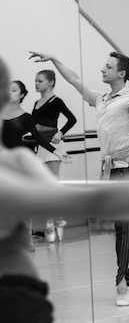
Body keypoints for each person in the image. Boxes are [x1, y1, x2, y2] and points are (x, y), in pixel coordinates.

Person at [28, 50, 129, 307]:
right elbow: (73, 79)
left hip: (126, 169)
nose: (102, 70)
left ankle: (122, 283)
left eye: (107, 67)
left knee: (125, 227)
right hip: (113, 171)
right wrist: (54, 59)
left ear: (121, 73)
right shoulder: (100, 98)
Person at [1, 80, 71, 250]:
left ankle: (27, 240)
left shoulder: (26, 118)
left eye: (14, 90)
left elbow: (39, 139)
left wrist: (57, 152)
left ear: (22, 95)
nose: (9, 92)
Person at [32, 69, 77, 243]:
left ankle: (51, 221)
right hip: (40, 147)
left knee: (52, 185)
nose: (36, 83)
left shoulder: (56, 101)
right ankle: (57, 218)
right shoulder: (36, 102)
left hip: (53, 146)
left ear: (50, 82)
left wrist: (61, 133)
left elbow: (72, 119)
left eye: (40, 81)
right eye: (35, 80)